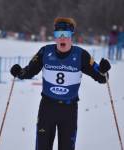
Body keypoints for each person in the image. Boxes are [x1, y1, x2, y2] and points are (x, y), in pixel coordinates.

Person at [10, 17, 111, 150]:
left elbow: (102, 78)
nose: (62, 38)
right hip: (47, 108)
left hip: (68, 110)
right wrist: (19, 72)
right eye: (59, 35)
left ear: (71, 36)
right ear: (55, 36)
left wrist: (104, 70)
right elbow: (29, 71)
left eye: (66, 35)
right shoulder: (45, 52)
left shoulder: (81, 55)